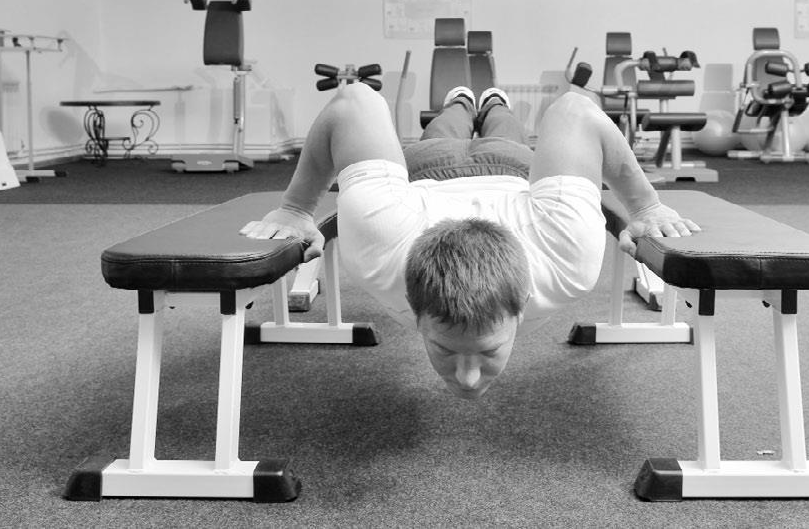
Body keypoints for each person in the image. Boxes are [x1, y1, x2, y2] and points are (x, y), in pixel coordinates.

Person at [240, 84, 699, 400]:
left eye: (488, 350)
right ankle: (461, 102)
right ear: (413, 304)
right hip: (465, 171)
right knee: (447, 128)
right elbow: (574, 110)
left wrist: (648, 208)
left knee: (502, 127)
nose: (468, 377)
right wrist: (295, 210)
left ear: (523, 302)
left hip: (481, 172)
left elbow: (578, 108)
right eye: (444, 349)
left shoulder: (378, 249)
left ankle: (490, 102)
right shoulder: (565, 260)